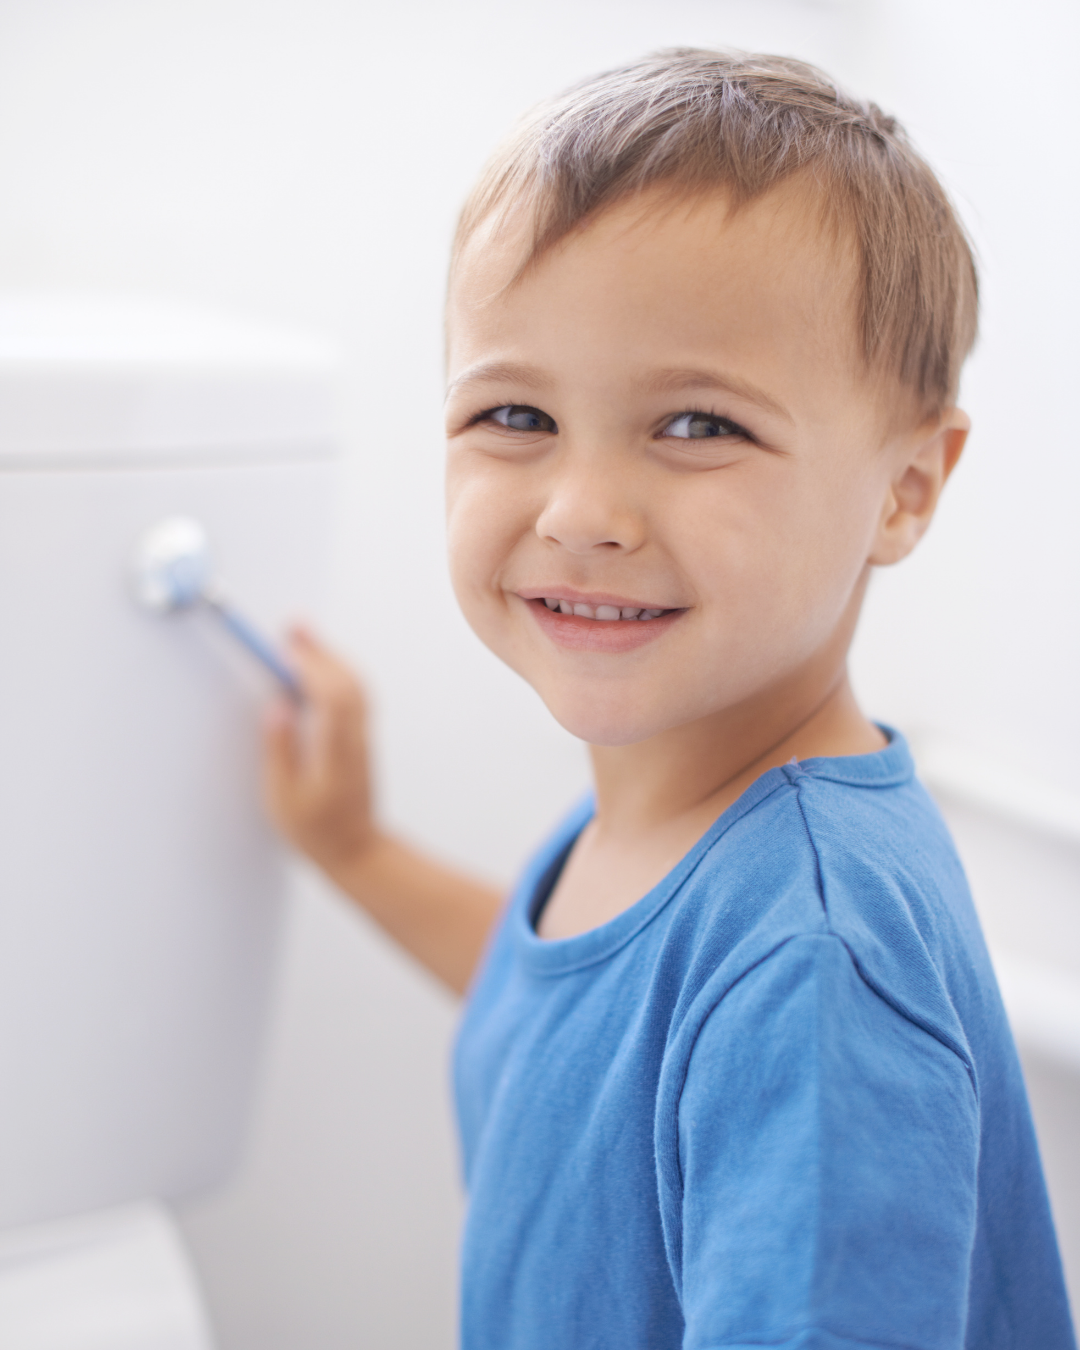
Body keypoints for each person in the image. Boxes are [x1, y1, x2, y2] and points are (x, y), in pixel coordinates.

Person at [264, 49, 1076, 1350]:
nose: (582, 511)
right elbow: (589, 1010)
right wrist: (355, 849)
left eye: (699, 427)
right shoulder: (690, 801)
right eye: (515, 411)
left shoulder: (815, 967)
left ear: (909, 486)